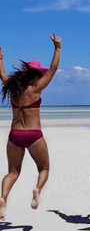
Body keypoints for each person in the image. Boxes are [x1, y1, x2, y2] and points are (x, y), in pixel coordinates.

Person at [0, 34, 61, 219]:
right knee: (44, 168)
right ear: (35, 74)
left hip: (15, 135)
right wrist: (57, 48)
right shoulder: (35, 89)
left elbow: (2, 75)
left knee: (12, 172)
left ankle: (3, 199)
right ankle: (37, 190)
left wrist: (0, 59)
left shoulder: (12, 88)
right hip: (33, 134)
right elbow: (53, 68)